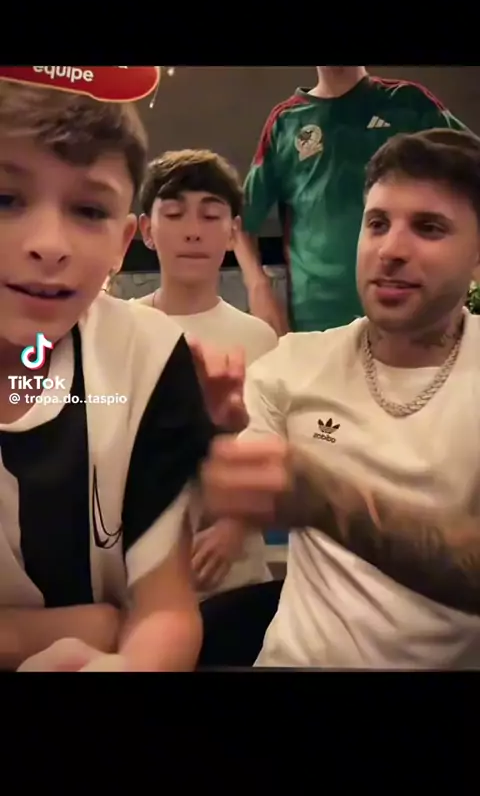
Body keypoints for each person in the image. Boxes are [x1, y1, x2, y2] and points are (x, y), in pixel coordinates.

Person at [201, 128, 480, 669]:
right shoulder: (294, 364)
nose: (390, 250)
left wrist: (330, 502)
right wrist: (207, 446)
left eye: (428, 227)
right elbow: (221, 499)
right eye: (377, 223)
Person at [0, 79, 234, 672]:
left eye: (88, 211)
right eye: (5, 199)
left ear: (123, 242)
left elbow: (164, 608)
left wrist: (125, 663)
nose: (48, 245)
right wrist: (64, 628)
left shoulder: (148, 357)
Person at [137, 148, 277, 598]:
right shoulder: (117, 328)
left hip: (232, 580)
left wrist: (236, 526)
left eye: (211, 215)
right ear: (146, 230)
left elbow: (271, 453)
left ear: (233, 231)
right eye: (175, 214)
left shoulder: (257, 339)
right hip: (136, 580)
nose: (193, 231)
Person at [235, 66, 467, 336]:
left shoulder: (410, 103)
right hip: (318, 320)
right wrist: (258, 288)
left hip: (410, 311)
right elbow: (241, 223)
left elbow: (472, 172)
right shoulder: (286, 122)